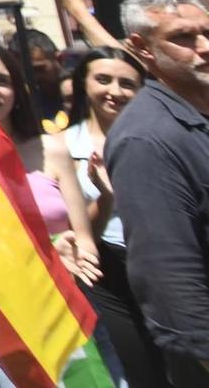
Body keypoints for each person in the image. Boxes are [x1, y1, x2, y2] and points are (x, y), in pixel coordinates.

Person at [0, 38, 107, 385]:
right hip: (2, 323)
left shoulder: (52, 150)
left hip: (69, 313)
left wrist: (76, 252)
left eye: (2, 79)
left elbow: (86, 242)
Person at [105, 0, 209, 383]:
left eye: (207, 32)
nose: (203, 45)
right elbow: (166, 275)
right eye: (183, 37)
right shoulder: (146, 137)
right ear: (142, 47)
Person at [61, 47, 171, 387]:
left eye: (127, 83)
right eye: (103, 80)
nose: (115, 91)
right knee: (135, 369)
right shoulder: (63, 147)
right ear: (84, 83)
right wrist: (106, 196)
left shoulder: (162, 138)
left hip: (164, 268)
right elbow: (78, 235)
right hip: (104, 275)